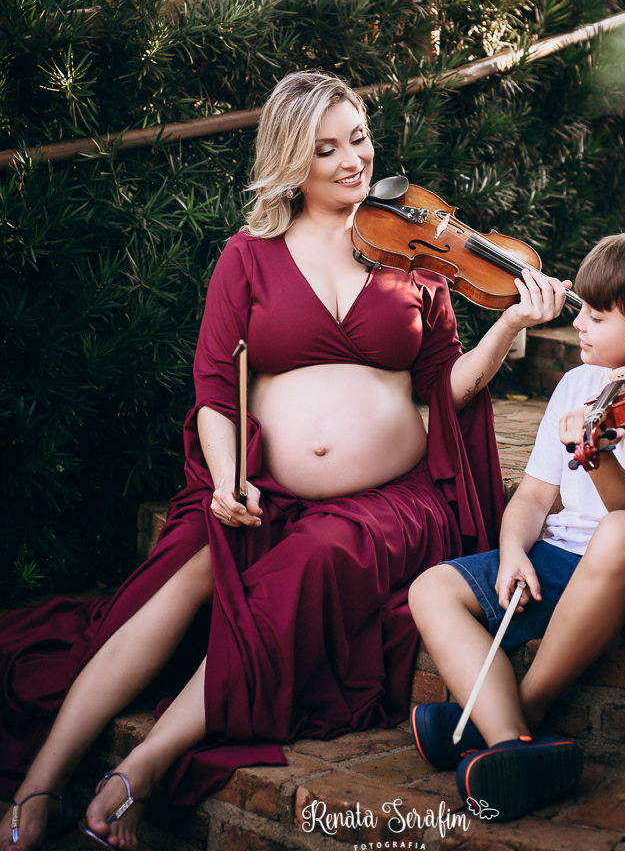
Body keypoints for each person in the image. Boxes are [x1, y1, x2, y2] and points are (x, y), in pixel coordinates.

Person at [0, 71, 571, 851]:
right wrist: (229, 480)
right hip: (258, 484)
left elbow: (447, 392)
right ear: (290, 161)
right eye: (324, 148)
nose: (350, 161)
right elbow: (214, 389)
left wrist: (506, 327)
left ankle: (142, 766)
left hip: (387, 505)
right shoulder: (249, 255)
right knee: (176, 575)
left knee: (309, 559)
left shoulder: (419, 260)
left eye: (358, 139)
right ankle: (41, 780)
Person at [408, 227, 625, 822]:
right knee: (431, 588)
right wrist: (511, 552)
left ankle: (511, 718)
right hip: (575, 560)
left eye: (598, 316)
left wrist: (597, 455)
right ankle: (512, 743)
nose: (577, 323)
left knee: (619, 534)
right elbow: (533, 497)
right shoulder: (579, 384)